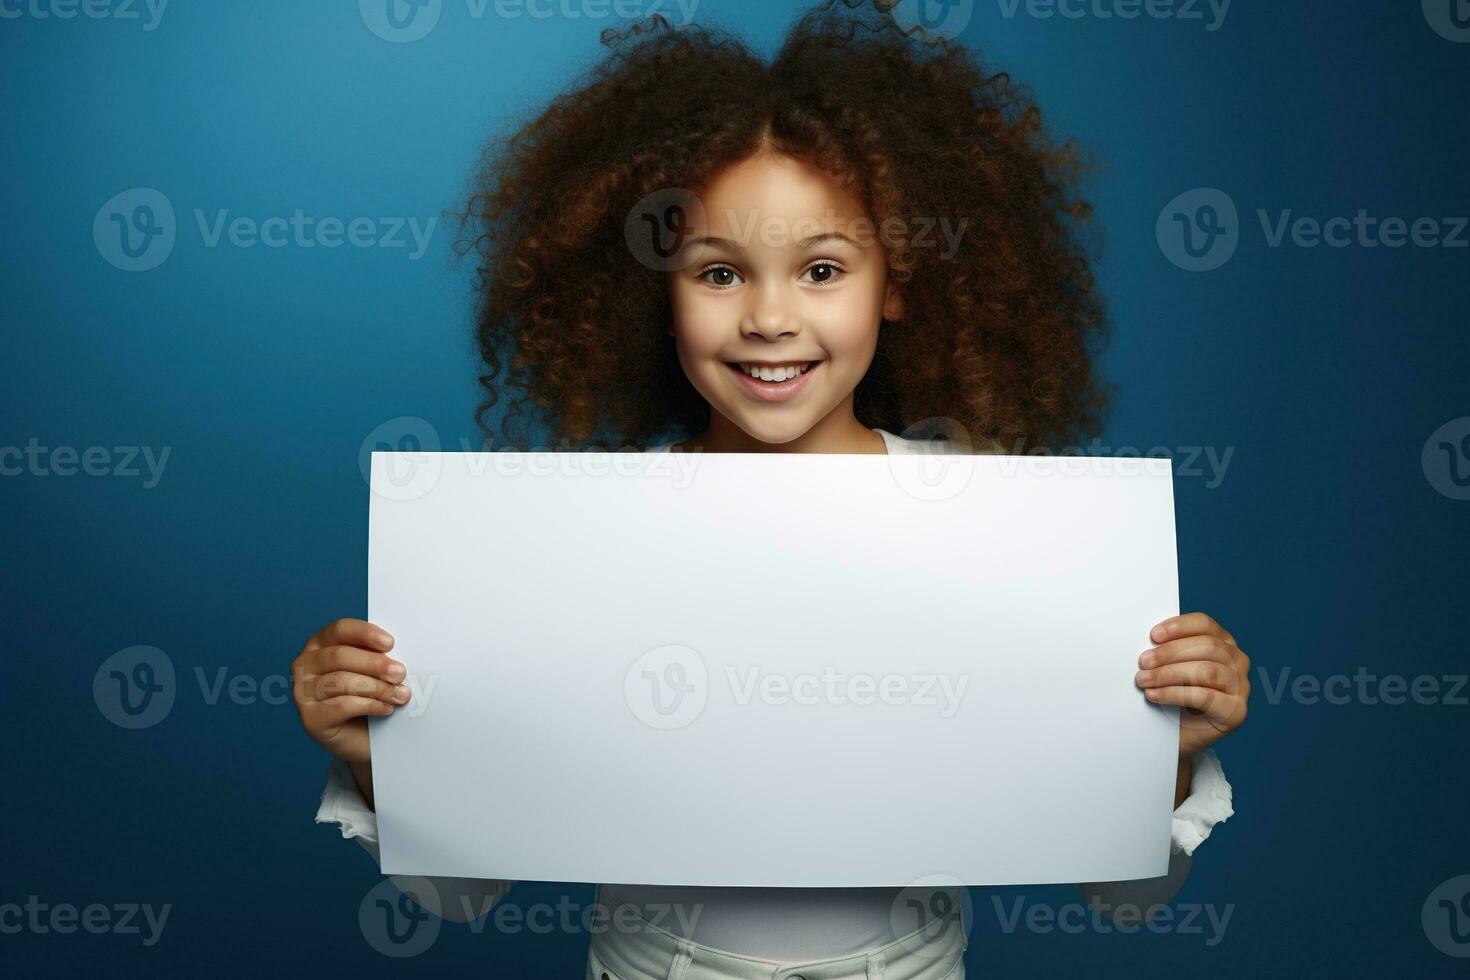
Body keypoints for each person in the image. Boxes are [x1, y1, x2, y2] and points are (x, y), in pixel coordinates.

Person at [293, 3, 1249, 976]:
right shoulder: (581, 541)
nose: (769, 316)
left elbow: (1124, 891)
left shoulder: (995, 527)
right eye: (719, 272)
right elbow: (460, 888)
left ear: (897, 280)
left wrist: (1173, 744)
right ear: (658, 297)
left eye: (823, 268)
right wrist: (374, 755)